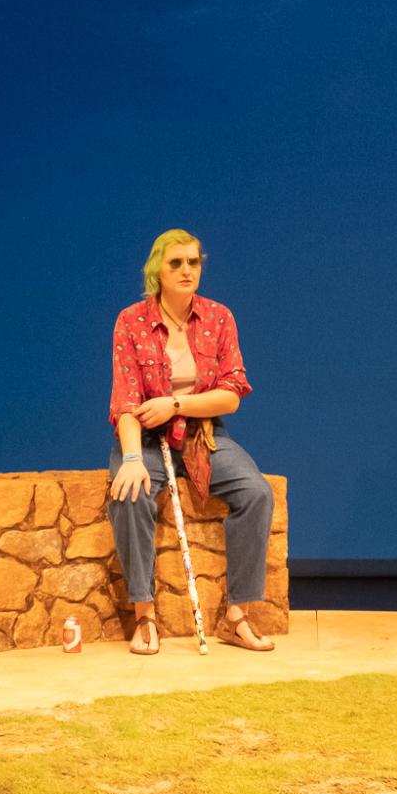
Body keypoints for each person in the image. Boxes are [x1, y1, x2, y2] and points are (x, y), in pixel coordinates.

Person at [108, 229, 277, 654]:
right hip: (147, 439)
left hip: (202, 436)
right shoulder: (131, 321)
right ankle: (145, 615)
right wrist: (130, 457)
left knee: (256, 493)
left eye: (194, 263)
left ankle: (236, 616)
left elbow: (231, 394)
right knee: (130, 495)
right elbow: (126, 400)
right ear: (157, 272)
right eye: (176, 264)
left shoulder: (219, 318)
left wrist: (176, 404)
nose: (186, 271)